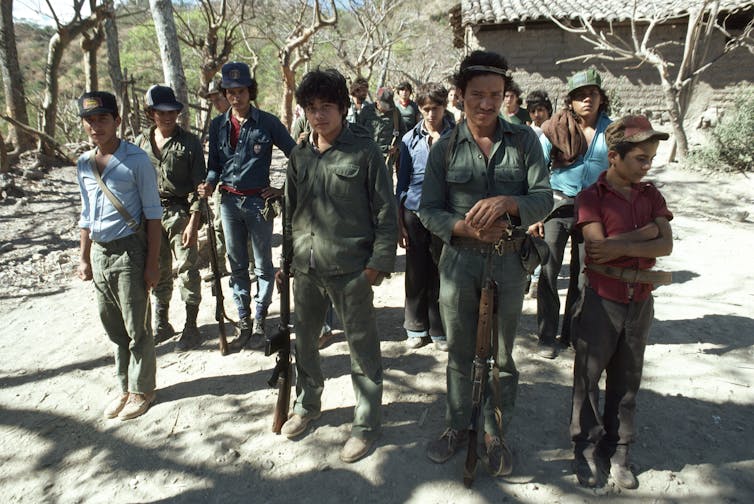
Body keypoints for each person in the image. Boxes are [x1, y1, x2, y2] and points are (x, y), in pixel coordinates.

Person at [419, 51, 552, 476]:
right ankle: (458, 426)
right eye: (477, 94)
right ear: (460, 96)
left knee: (502, 355)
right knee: (460, 352)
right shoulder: (443, 149)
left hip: (509, 265)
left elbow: (544, 198)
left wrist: (511, 202)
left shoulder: (525, 141)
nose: (486, 104)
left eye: (495, 95)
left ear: (505, 96)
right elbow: (427, 209)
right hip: (460, 263)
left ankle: (495, 431)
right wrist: (464, 229)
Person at [279, 68, 398, 464]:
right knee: (305, 342)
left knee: (362, 350)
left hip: (351, 270)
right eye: (311, 108)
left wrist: (375, 267)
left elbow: (385, 211)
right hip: (307, 269)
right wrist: (289, 260)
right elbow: (290, 211)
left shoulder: (365, 152)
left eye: (326, 106)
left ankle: (366, 425)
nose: (318, 115)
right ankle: (307, 405)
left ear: (343, 108)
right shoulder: (299, 156)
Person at [570, 115, 672, 489]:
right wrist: (644, 234)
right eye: (640, 158)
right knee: (588, 378)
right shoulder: (590, 198)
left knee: (627, 382)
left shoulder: (652, 196)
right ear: (614, 156)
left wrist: (621, 243)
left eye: (651, 158)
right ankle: (583, 448)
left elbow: (666, 245)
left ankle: (619, 452)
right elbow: (595, 254)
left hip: (640, 301)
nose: (648, 166)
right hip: (602, 299)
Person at [197, 61, 296, 350]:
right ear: (224, 93)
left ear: (250, 91)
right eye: (230, 91)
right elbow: (214, 166)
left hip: (258, 203)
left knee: (263, 265)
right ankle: (243, 319)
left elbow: (296, 156)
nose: (235, 97)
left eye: (240, 91)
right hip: (227, 202)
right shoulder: (218, 125)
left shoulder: (268, 122)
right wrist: (209, 183)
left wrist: (282, 189)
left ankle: (261, 319)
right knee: (236, 265)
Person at [76, 91, 162, 420]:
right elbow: (86, 214)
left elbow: (153, 216)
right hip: (100, 253)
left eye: (103, 119)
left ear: (117, 121)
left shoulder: (137, 161)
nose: (96, 126)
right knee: (114, 327)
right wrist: (84, 257)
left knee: (137, 325)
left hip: (129, 251)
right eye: (90, 120)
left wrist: (152, 264)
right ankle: (125, 386)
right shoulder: (84, 163)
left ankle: (144, 390)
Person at [531, 69, 613, 359]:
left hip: (594, 211)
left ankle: (572, 334)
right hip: (556, 205)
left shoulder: (612, 131)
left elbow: (619, 172)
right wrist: (536, 214)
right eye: (580, 95)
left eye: (592, 94)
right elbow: (537, 170)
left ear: (601, 98)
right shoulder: (555, 128)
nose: (587, 100)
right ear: (571, 101)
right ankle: (545, 336)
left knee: (583, 276)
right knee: (549, 271)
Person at [135, 85, 206, 351]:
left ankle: (191, 326)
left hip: (180, 212)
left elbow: (201, 185)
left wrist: (194, 219)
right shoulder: (140, 143)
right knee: (158, 268)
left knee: (188, 267)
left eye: (172, 112)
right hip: (149, 214)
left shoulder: (189, 143)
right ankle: (162, 322)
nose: (167, 117)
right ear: (151, 113)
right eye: (161, 112)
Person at [396, 82, 453, 352]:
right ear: (419, 109)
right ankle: (415, 327)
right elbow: (402, 183)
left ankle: (440, 330)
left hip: (444, 213)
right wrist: (399, 222)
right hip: (414, 213)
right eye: (426, 108)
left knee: (442, 271)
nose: (431, 114)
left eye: (436, 108)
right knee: (416, 272)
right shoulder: (409, 140)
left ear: (445, 106)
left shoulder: (457, 137)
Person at [523, 89, 553, 298]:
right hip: (527, 189)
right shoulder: (525, 134)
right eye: (533, 111)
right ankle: (526, 275)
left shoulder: (553, 133)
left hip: (547, 191)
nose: (537, 115)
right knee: (527, 234)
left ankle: (536, 279)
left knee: (542, 236)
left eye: (541, 110)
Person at [357, 86, 406, 170]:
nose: (387, 108)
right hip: (367, 155)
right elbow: (357, 130)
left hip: (386, 157)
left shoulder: (395, 112)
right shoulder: (366, 111)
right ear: (378, 101)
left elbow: (403, 131)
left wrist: (396, 146)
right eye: (385, 105)